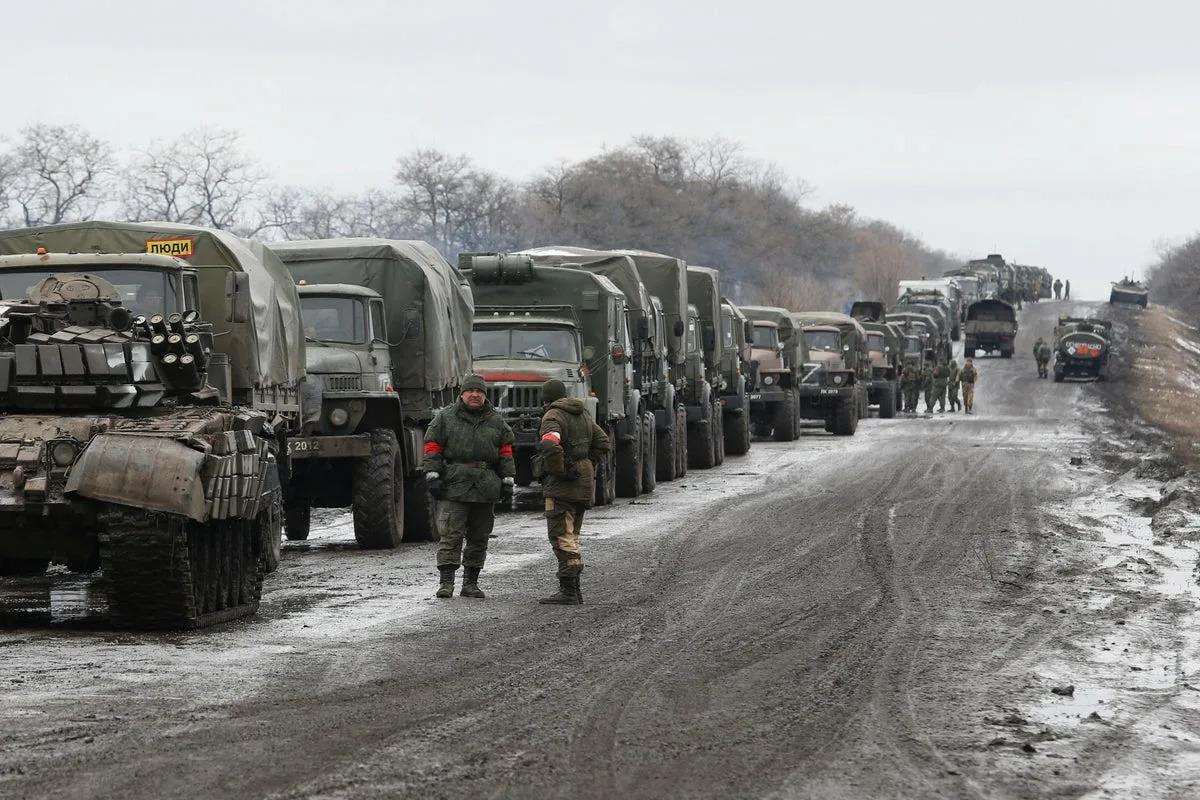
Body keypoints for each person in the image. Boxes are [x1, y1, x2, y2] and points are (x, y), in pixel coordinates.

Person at [422, 374, 516, 600]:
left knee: (479, 537)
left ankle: (471, 584)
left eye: (480, 392)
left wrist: (507, 481)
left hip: (486, 487)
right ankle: (446, 583)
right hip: (455, 485)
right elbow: (432, 447)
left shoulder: (496, 421)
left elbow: (505, 452)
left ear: (485, 395)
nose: (475, 395)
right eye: (470, 391)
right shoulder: (444, 418)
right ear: (461, 394)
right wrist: (432, 475)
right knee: (451, 535)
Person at [536, 378, 610, 605]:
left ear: (546, 400)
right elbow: (603, 442)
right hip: (584, 482)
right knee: (572, 535)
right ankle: (574, 591)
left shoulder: (553, 416)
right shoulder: (583, 414)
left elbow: (550, 444)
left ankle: (568, 591)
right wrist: (587, 464)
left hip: (563, 486)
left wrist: (560, 470)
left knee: (560, 536)